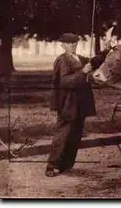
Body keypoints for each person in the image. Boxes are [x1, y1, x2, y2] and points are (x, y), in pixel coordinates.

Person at [45, 33, 97, 177]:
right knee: (62, 135)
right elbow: (65, 82)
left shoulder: (79, 58)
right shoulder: (62, 60)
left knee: (75, 135)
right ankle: (52, 166)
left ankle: (66, 165)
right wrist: (83, 72)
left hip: (81, 103)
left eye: (75, 42)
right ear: (63, 45)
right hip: (67, 103)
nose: (73, 45)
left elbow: (95, 61)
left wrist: (109, 49)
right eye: (69, 43)